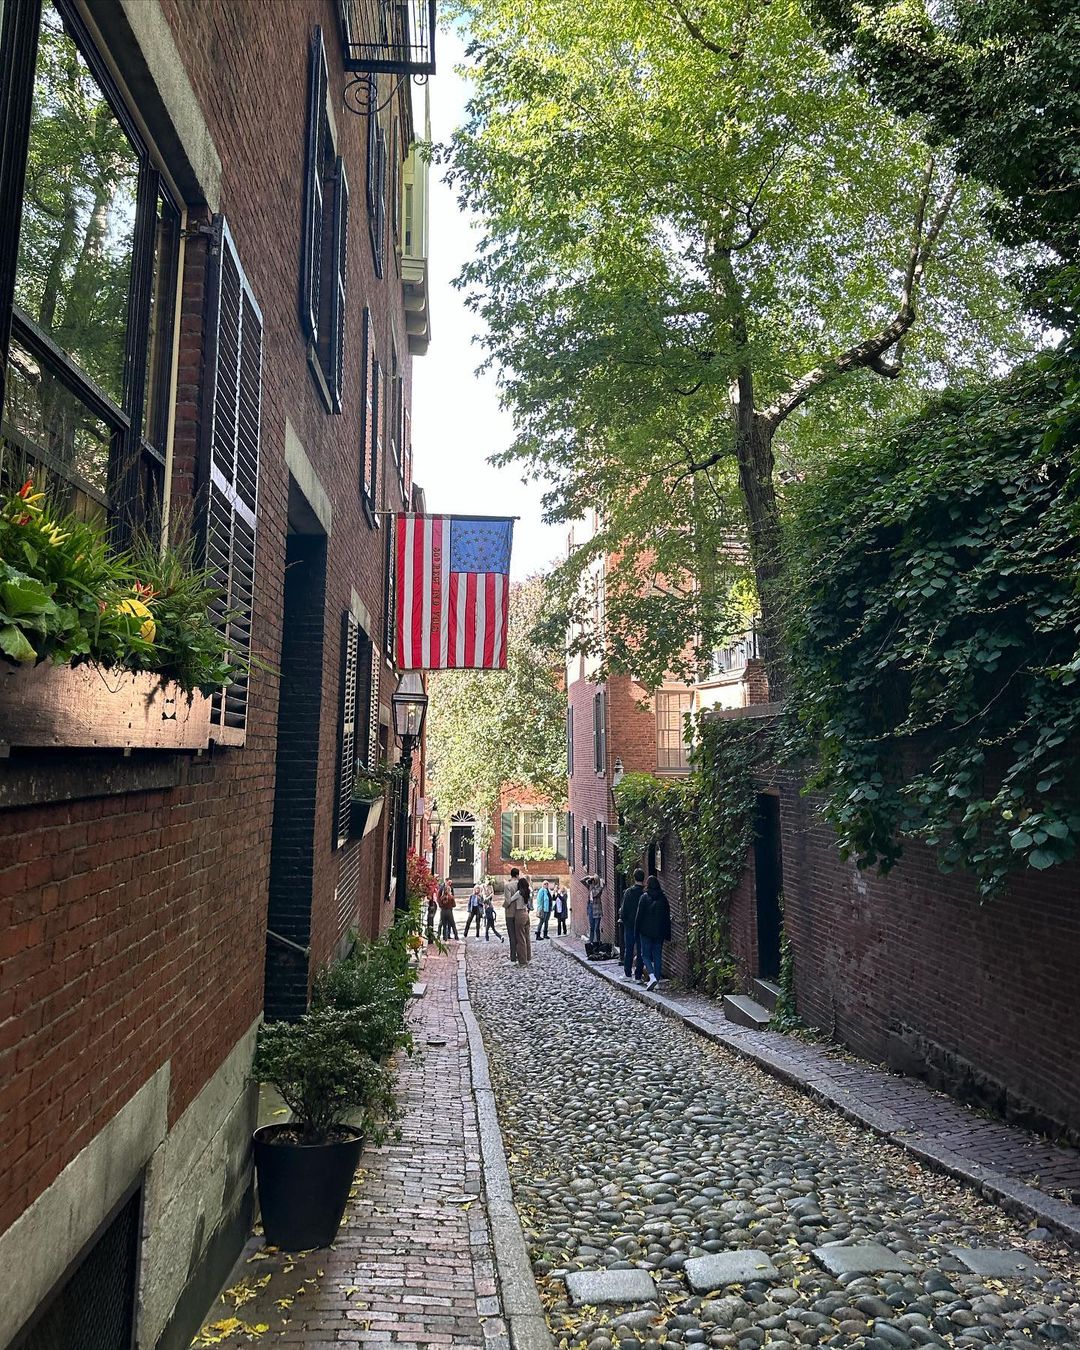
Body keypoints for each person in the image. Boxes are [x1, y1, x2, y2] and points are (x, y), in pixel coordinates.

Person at [637, 874, 671, 991]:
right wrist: (667, 933)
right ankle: (657, 980)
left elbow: (639, 916)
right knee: (657, 956)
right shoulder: (663, 898)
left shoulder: (644, 898)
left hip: (646, 932)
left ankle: (651, 976)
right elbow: (667, 916)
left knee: (645, 955)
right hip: (659, 932)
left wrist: (637, 930)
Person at [619, 868, 647, 982]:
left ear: (634, 878)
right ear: (643, 878)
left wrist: (625, 920)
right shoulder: (644, 894)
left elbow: (623, 910)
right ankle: (638, 976)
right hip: (641, 926)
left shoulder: (628, 892)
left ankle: (628, 974)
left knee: (629, 949)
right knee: (640, 951)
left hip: (630, 925)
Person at [510, 874, 532, 966]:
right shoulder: (528, 892)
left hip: (519, 913)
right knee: (527, 937)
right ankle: (528, 957)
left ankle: (522, 960)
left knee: (520, 938)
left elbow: (510, 899)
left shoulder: (519, 893)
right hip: (526, 913)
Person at [503, 867, 523, 963]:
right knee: (520, 935)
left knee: (512, 936)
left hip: (510, 913)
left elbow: (508, 900)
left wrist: (504, 906)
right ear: (517, 875)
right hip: (520, 911)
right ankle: (521, 955)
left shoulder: (508, 885)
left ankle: (513, 957)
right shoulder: (521, 884)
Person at [584, 875, 604, 945]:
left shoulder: (599, 888)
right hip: (590, 907)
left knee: (596, 928)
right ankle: (591, 942)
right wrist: (588, 877)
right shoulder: (590, 886)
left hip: (597, 909)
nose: (592, 881)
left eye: (594, 880)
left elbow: (595, 894)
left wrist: (592, 885)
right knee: (591, 927)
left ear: (596, 881)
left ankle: (597, 942)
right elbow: (582, 881)